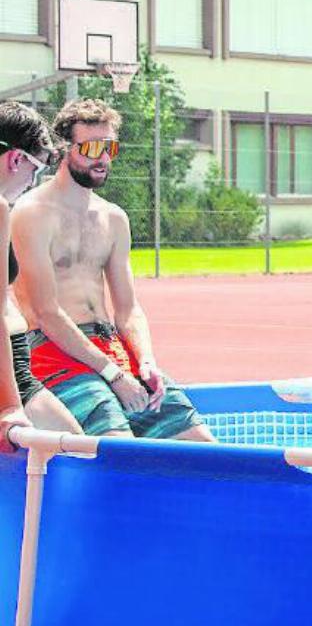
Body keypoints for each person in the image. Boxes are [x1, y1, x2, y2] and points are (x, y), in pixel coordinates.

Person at [12, 99, 213, 442]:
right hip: (53, 352)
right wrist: (114, 376)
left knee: (200, 445)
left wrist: (145, 360)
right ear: (64, 148)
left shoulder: (113, 218)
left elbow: (128, 309)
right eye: (91, 147)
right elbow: (46, 313)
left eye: (110, 148)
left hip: (110, 348)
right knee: (119, 448)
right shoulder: (32, 213)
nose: (102, 158)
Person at [0, 102, 83, 454]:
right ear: (14, 159)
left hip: (16, 374)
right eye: (34, 170)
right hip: (11, 377)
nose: (32, 183)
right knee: (80, 456)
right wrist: (9, 407)